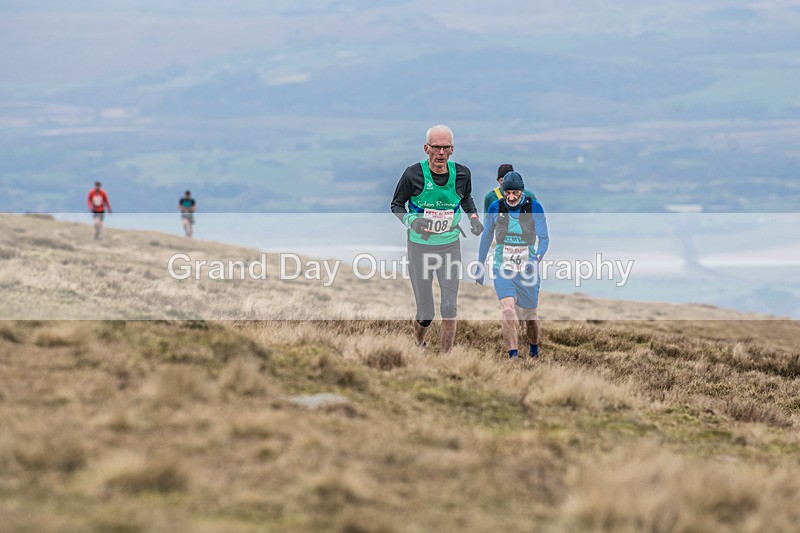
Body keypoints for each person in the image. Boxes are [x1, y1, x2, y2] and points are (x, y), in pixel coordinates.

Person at [391, 124, 483, 353]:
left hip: (449, 246)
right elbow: (396, 205)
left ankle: (446, 358)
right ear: (426, 148)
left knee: (450, 307)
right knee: (426, 313)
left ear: (452, 149)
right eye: (436, 147)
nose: (441, 153)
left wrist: (473, 218)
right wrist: (412, 221)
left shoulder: (462, 174)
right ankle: (419, 339)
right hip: (419, 248)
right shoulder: (412, 174)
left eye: (446, 148)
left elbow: (466, 198)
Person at [477, 171, 549, 359]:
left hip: (527, 270)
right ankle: (513, 356)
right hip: (503, 267)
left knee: (531, 317)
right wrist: (480, 263)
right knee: (508, 309)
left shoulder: (535, 208)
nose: (510, 197)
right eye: (507, 192)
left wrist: (537, 259)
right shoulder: (495, 207)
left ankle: (533, 350)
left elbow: (544, 239)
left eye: (515, 193)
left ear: (522, 191)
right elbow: (486, 236)